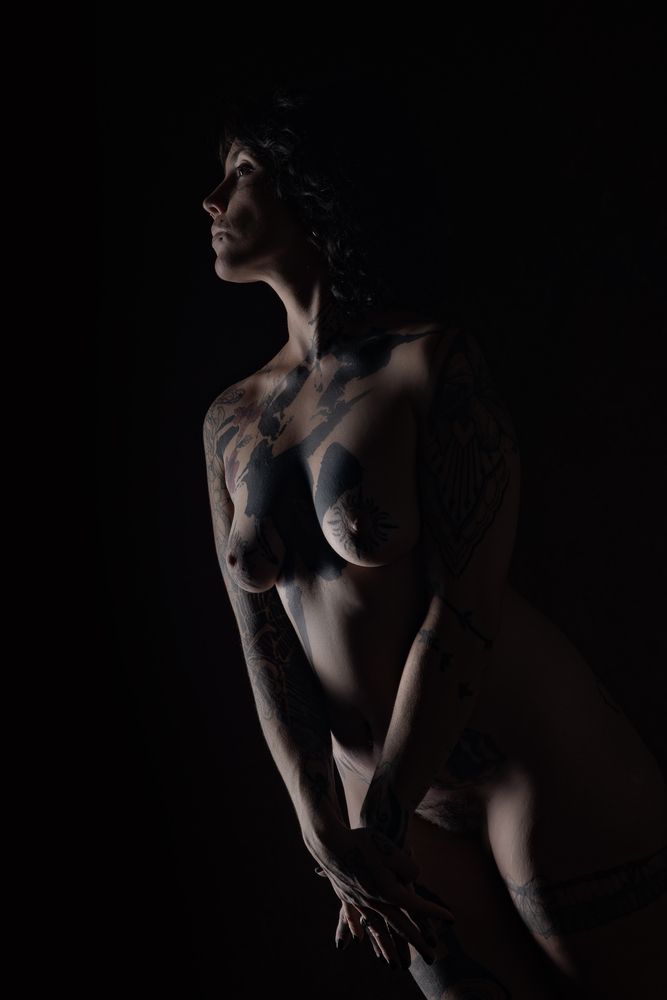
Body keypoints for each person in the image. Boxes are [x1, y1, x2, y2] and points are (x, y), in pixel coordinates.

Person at [201, 78, 667, 999]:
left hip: (529, 768)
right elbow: (263, 646)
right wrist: (320, 828)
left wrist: (375, 820)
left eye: (242, 170)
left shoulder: (427, 363)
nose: (212, 199)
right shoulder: (226, 421)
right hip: (380, 807)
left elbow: (465, 609)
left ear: (309, 185)